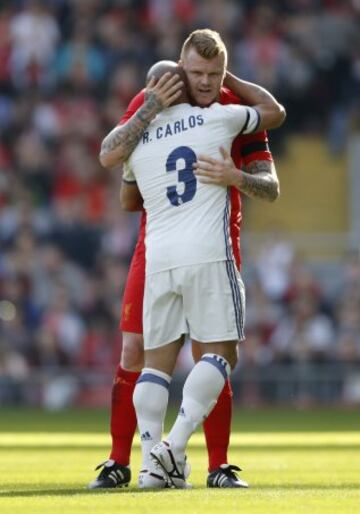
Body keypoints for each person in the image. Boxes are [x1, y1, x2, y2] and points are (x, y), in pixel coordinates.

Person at [89, 29, 284, 490]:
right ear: (179, 72)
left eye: (213, 74)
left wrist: (231, 177)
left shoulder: (228, 106)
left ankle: (216, 465)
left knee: (206, 352)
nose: (204, 82)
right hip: (160, 243)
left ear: (223, 72)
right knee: (144, 352)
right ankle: (132, 459)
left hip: (202, 242)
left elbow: (269, 184)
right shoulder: (160, 102)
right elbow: (127, 195)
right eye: (195, 73)